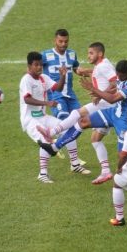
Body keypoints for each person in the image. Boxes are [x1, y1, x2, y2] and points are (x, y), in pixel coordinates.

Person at [38, 60, 127, 185]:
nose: (118, 77)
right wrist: (101, 94)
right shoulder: (122, 75)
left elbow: (114, 99)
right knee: (83, 121)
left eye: (120, 75)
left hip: (125, 120)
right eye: (117, 74)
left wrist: (94, 89)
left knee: (123, 156)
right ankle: (54, 147)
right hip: (113, 113)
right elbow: (115, 87)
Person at [38, 42, 119, 184]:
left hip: (105, 105)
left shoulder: (103, 66)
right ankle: (106, 171)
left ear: (99, 54)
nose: (88, 55)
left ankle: (51, 134)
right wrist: (87, 71)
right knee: (95, 139)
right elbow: (100, 73)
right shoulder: (101, 66)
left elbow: (115, 82)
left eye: (91, 53)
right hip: (108, 106)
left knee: (76, 114)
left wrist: (100, 94)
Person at [19, 51, 90, 183]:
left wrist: (62, 76)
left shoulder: (43, 78)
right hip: (30, 120)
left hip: (43, 116)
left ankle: (75, 164)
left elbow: (58, 88)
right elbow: (27, 99)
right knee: (46, 142)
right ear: (29, 66)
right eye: (36, 65)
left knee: (68, 130)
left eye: (40, 64)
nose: (39, 67)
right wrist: (47, 103)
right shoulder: (26, 80)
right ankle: (43, 174)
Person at [41, 29, 86, 167]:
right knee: (66, 123)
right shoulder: (45, 55)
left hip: (70, 95)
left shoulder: (72, 54)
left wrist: (84, 72)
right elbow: (34, 70)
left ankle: (55, 142)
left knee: (82, 120)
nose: (63, 44)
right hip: (56, 95)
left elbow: (76, 68)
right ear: (55, 40)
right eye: (60, 41)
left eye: (66, 41)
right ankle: (74, 161)